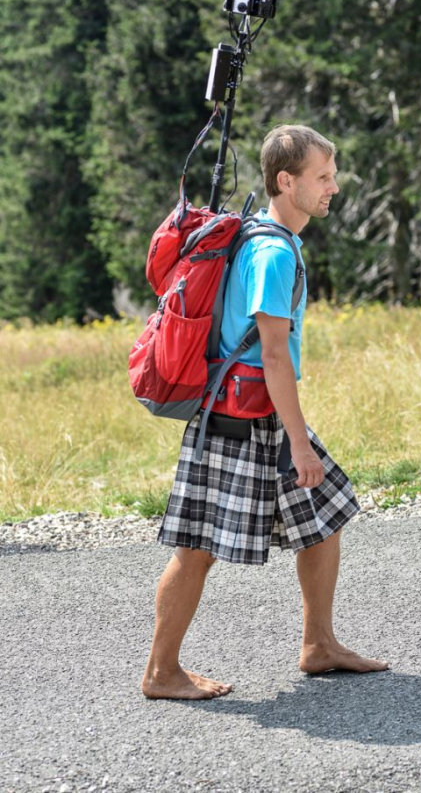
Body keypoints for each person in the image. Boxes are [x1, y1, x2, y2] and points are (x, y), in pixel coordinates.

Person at [141, 124, 389, 700]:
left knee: (325, 515)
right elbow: (273, 355)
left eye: (331, 176)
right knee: (197, 548)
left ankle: (319, 644)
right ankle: (160, 672)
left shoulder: (262, 234)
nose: (333, 188)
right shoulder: (274, 252)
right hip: (240, 420)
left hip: (256, 413)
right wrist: (300, 445)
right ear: (286, 181)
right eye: (322, 177)